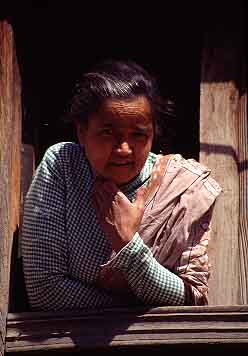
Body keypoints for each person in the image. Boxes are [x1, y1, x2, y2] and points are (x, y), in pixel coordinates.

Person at [21, 59, 222, 311]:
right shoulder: (64, 167)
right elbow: (44, 290)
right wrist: (134, 309)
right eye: (108, 133)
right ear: (82, 132)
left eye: (138, 135)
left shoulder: (185, 187)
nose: (123, 150)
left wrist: (129, 245)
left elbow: (190, 299)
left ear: (152, 134)